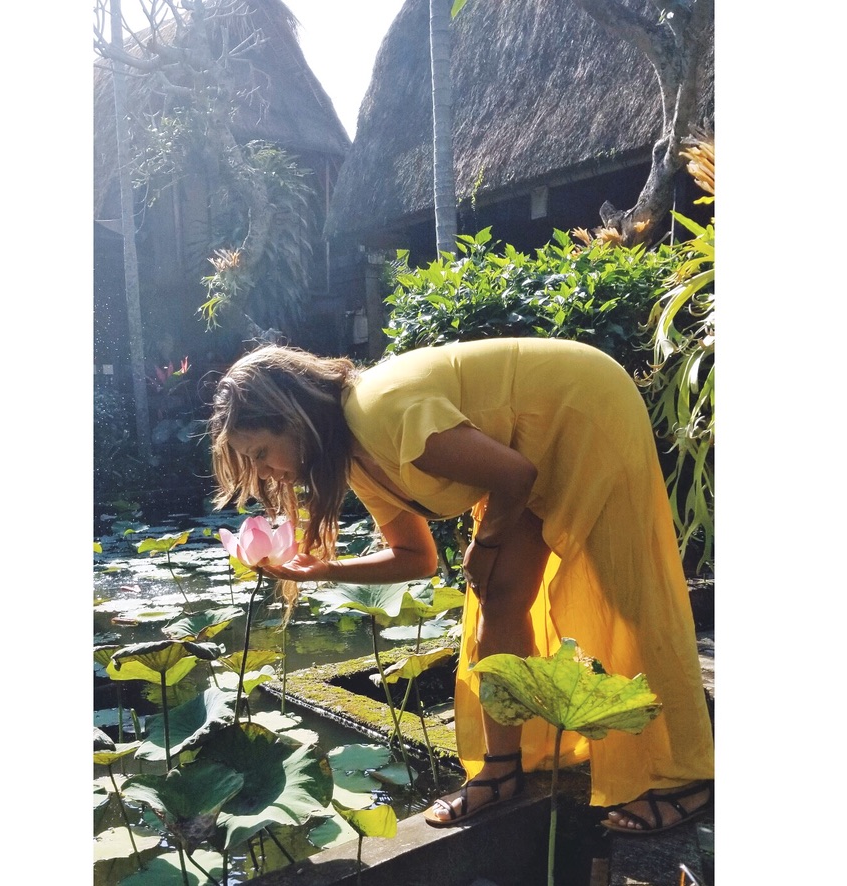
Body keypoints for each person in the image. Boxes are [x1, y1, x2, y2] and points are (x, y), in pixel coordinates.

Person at [207, 337, 714, 834]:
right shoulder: (358, 458)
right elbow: (417, 558)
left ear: (293, 419)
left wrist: (485, 544)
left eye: (261, 453)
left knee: (628, 599)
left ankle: (689, 778)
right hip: (530, 444)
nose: (264, 473)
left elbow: (514, 475)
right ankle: (502, 770)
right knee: (501, 597)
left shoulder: (378, 411)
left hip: (584, 405)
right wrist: (324, 570)